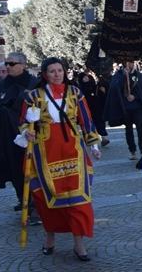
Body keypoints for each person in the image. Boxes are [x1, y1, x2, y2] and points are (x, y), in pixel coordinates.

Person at [21, 58, 102, 259]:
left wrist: (94, 144)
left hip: (73, 151)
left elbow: (87, 120)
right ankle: (50, 237)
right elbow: (23, 122)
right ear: (44, 74)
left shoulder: (75, 93)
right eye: (52, 71)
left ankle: (79, 243)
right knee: (46, 199)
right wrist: (26, 132)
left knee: (78, 199)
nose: (57, 74)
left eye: (60, 70)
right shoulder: (34, 96)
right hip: (46, 152)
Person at [0, 52, 39, 215]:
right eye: (7, 63)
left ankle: (35, 203)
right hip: (7, 138)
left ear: (23, 65)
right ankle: (23, 200)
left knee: (34, 170)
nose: (8, 67)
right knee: (14, 171)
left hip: (32, 136)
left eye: (11, 64)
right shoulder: (0, 87)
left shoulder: (35, 84)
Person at [104, 61, 142, 165]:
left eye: (131, 62)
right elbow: (115, 88)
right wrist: (123, 78)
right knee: (128, 129)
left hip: (137, 107)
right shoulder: (119, 75)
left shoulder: (139, 75)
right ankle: (132, 151)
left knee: (140, 129)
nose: (129, 64)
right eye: (128, 62)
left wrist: (135, 96)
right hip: (125, 108)